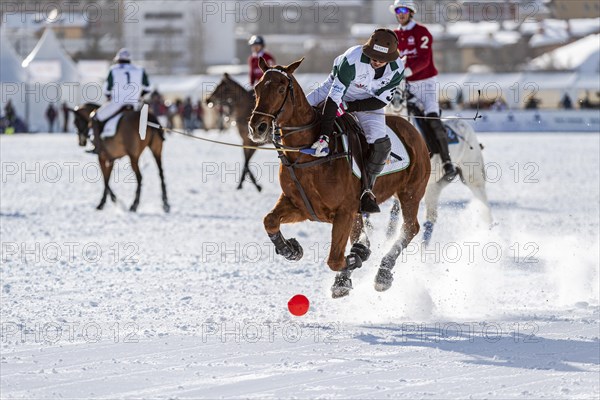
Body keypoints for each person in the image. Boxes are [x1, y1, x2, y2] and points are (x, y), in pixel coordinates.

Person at [306, 29, 404, 213]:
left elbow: (381, 100)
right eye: (373, 57)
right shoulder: (352, 59)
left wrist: (350, 108)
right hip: (334, 90)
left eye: (381, 59)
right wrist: (324, 136)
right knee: (299, 112)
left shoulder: (397, 69)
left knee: (380, 144)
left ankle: (366, 190)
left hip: (369, 102)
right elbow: (334, 98)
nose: (376, 62)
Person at [390, 0, 457, 182]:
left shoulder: (422, 32)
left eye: (403, 10)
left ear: (411, 12)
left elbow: (425, 60)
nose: (400, 13)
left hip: (426, 82)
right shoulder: (394, 35)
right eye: (397, 10)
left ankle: (447, 163)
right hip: (405, 85)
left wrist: (406, 71)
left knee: (432, 118)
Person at [89, 48, 150, 153]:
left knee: (95, 117)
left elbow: (106, 90)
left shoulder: (113, 69)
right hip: (135, 105)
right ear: (129, 60)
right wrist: (139, 96)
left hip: (117, 104)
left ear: (118, 60)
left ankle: (97, 146)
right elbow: (148, 88)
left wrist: (109, 96)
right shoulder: (140, 70)